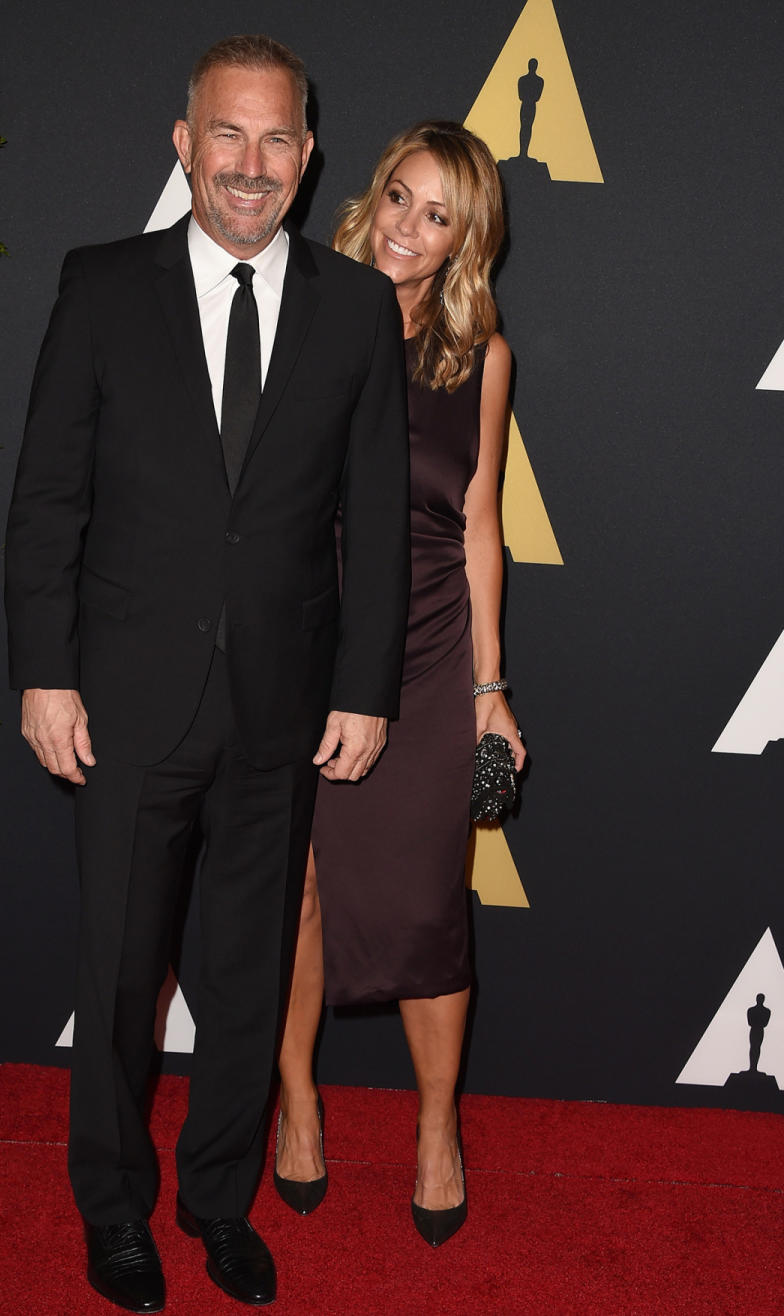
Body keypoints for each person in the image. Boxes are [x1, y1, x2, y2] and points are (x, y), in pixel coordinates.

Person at [4, 35, 409, 1313]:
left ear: (308, 156)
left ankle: (217, 1200)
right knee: (121, 973)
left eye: (276, 138)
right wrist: (43, 671)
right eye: (225, 136)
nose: (249, 163)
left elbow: (381, 516)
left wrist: (367, 685)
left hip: (282, 705)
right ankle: (114, 1207)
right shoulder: (102, 286)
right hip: (123, 698)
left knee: (245, 975)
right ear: (184, 145)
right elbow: (48, 499)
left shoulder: (354, 308)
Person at [273, 121, 526, 1248]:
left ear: (467, 239)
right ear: (373, 194)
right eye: (401, 200)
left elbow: (481, 532)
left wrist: (489, 688)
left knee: (430, 904)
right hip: (301, 633)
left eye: (440, 216)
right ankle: (297, 1103)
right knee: (298, 892)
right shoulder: (298, 306)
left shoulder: (481, 355)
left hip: (426, 648)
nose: (409, 231)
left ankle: (436, 1127)